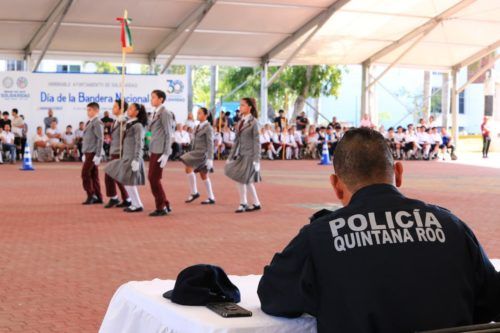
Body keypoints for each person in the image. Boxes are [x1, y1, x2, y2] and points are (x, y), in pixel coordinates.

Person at [258, 127, 500, 333]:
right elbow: (491, 301)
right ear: (398, 173)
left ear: (336, 185)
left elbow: (273, 296)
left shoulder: (320, 237)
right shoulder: (452, 227)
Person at [105, 103, 147, 213]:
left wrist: (137, 159)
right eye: (128, 108)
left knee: (129, 182)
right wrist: (122, 120)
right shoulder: (129, 123)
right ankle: (134, 203)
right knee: (127, 181)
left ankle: (137, 204)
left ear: (137, 112)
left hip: (132, 156)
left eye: (131, 109)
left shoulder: (138, 125)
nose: (128, 110)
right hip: (126, 155)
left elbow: (140, 143)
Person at [224, 98, 261, 213]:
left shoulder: (254, 122)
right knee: (246, 180)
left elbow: (257, 142)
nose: (240, 107)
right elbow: (236, 141)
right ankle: (256, 203)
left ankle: (243, 202)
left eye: (243, 105)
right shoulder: (240, 122)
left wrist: (256, 160)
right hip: (241, 154)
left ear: (250, 107)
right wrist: (230, 157)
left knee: (241, 178)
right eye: (240, 105)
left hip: (250, 155)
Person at [179, 107, 216, 205]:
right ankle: (209, 196)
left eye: (199, 113)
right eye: (197, 113)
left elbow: (210, 143)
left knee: (190, 167)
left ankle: (196, 193)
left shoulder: (208, 127)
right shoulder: (198, 126)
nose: (197, 115)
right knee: (202, 174)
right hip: (196, 151)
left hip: (201, 153)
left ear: (206, 115)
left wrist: (210, 158)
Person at [148, 89, 175, 217]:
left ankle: (161, 207)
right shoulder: (154, 112)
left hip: (160, 150)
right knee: (153, 178)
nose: (151, 99)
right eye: (151, 97)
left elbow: (169, 133)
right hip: (154, 149)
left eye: (154, 97)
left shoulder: (165, 113)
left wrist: (166, 153)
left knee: (154, 178)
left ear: (161, 99)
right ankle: (164, 203)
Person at [103, 99, 131, 209]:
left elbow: (128, 130)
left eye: (115, 106)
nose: (113, 108)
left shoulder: (125, 120)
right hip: (114, 150)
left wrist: (124, 121)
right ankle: (123, 198)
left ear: (121, 108)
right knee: (113, 175)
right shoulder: (115, 120)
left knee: (113, 175)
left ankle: (123, 198)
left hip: (120, 151)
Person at [81, 102, 104, 205]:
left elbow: (100, 139)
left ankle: (91, 195)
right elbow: (87, 139)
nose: (88, 112)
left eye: (90, 110)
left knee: (85, 174)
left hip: (92, 152)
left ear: (96, 111)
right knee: (94, 175)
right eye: (87, 110)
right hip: (88, 151)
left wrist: (98, 154)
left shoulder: (97, 122)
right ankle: (98, 196)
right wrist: (83, 152)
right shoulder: (90, 122)